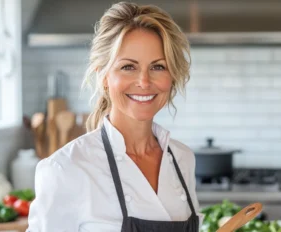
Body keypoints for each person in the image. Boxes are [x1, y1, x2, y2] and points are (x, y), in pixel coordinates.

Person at [27, 2, 204, 232]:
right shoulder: (66, 169)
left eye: (158, 67)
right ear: (103, 76)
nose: (144, 82)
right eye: (128, 67)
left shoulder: (182, 159)